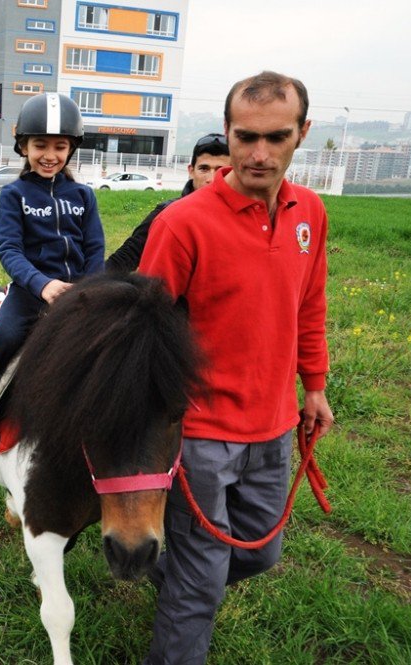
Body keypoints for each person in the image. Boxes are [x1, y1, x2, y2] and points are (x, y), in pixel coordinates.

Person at [137, 71, 335, 665]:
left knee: (260, 552)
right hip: (200, 434)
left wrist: (315, 387)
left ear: (302, 133)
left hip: (275, 426)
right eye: (246, 137)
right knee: (200, 585)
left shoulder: (311, 213)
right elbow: (143, 333)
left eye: (276, 138)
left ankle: (172, 576)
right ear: (228, 132)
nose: (259, 153)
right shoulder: (182, 224)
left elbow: (309, 304)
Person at [0, 93, 105, 468]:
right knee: (2, 338)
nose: (50, 155)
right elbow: (10, 251)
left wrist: (88, 289)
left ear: (71, 149)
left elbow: (95, 248)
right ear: (23, 147)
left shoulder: (84, 196)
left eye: (60, 147)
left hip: (79, 293)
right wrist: (43, 285)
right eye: (40, 146)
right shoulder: (14, 195)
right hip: (31, 292)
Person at [106, 133, 230, 273]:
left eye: (221, 170)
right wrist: (86, 287)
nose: (211, 179)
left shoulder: (249, 216)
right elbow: (126, 256)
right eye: (204, 169)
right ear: (191, 171)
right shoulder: (166, 212)